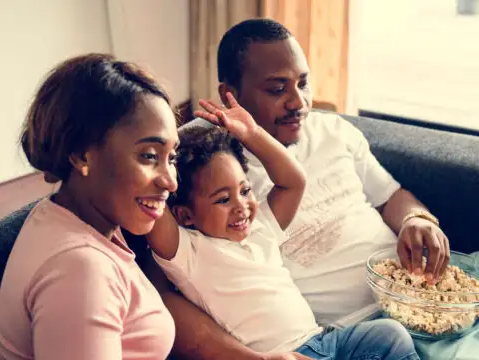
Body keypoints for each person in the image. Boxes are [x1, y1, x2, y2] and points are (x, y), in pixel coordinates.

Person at [140, 18, 451, 360]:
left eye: (303, 84)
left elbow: (390, 196)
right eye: (277, 89)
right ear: (231, 95)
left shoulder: (331, 134)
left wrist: (417, 220)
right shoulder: (205, 173)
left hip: (422, 300)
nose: (298, 102)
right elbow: (160, 279)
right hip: (324, 337)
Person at [146, 93, 419, 360]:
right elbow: (154, 205)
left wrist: (252, 133)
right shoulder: (188, 252)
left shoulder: (261, 227)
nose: (241, 205)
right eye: (223, 199)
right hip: (281, 356)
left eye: (245, 190)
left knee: (390, 334)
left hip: (323, 341)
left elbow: (294, 180)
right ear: (184, 216)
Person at [0, 54, 178, 360]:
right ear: (81, 155)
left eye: (171, 158)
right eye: (149, 156)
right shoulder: (80, 268)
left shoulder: (63, 217)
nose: (170, 182)